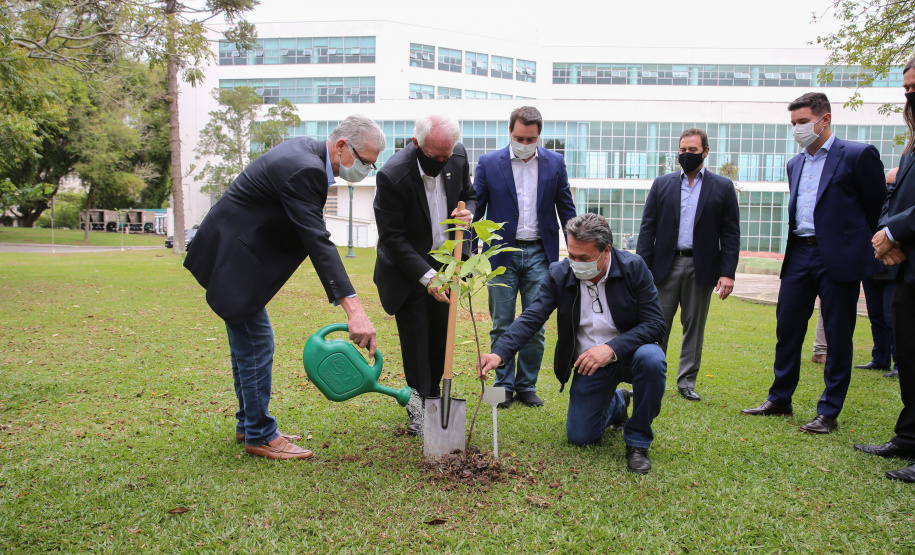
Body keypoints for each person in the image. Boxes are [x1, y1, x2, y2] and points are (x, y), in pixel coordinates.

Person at [184, 115, 383, 460]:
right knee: (257, 343)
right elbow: (317, 240)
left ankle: (249, 424)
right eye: (365, 161)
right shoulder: (305, 169)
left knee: (248, 344)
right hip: (233, 259)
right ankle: (260, 434)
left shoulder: (307, 153)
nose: (366, 169)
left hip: (236, 253)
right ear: (340, 146)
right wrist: (355, 309)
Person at [741, 92, 886, 434]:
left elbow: (875, 208)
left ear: (825, 120)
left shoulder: (857, 154)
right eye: (793, 124)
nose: (797, 129)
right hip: (800, 254)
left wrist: (856, 245)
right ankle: (779, 398)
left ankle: (828, 412)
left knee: (837, 335)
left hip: (838, 256)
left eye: (803, 122)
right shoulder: (795, 163)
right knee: (787, 327)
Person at [478, 213, 667, 474]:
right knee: (580, 437)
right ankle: (619, 403)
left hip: (632, 354)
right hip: (589, 364)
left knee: (652, 358)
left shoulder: (634, 267)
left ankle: (637, 442)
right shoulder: (560, 273)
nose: (576, 264)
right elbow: (533, 316)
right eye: (571, 255)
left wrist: (611, 348)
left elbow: (655, 324)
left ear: (606, 250)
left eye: (584, 258)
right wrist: (500, 353)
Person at [373, 114, 476, 435]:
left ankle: (437, 401)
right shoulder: (394, 175)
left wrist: (468, 211)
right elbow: (393, 238)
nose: (442, 161)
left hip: (448, 263)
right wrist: (426, 276)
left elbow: (469, 193)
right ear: (417, 144)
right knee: (417, 339)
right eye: (434, 157)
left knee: (440, 335)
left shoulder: (456, 157)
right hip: (409, 268)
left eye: (446, 156)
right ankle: (420, 405)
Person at [473, 106, 577, 409]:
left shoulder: (555, 163)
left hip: (540, 254)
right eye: (519, 137)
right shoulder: (489, 163)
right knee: (501, 322)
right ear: (510, 132)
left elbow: (566, 207)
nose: (524, 142)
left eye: (531, 138)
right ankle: (501, 387)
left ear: (538, 136)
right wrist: (468, 250)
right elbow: (476, 210)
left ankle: (526, 385)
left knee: (536, 323)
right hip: (501, 254)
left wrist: (575, 245)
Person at [637, 128, 740, 402]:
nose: (686, 155)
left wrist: (727, 272)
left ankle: (686, 382)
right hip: (664, 266)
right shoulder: (662, 184)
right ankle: (650, 375)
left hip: (701, 266)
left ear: (706, 152)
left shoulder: (723, 187)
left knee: (694, 326)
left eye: (692, 150)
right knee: (657, 325)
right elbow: (648, 229)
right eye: (682, 150)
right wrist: (641, 268)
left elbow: (730, 234)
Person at [854, 57, 915, 482]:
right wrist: (885, 234)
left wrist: (896, 230)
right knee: (909, 358)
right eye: (907, 87)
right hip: (907, 265)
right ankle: (908, 438)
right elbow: (891, 199)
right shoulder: (912, 140)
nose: (910, 95)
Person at [855, 167, 900, 378]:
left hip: (894, 267)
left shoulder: (902, 204)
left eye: (893, 184)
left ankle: (899, 363)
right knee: (876, 315)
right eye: (887, 183)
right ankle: (880, 358)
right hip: (871, 265)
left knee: (893, 317)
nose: (888, 188)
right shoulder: (874, 202)